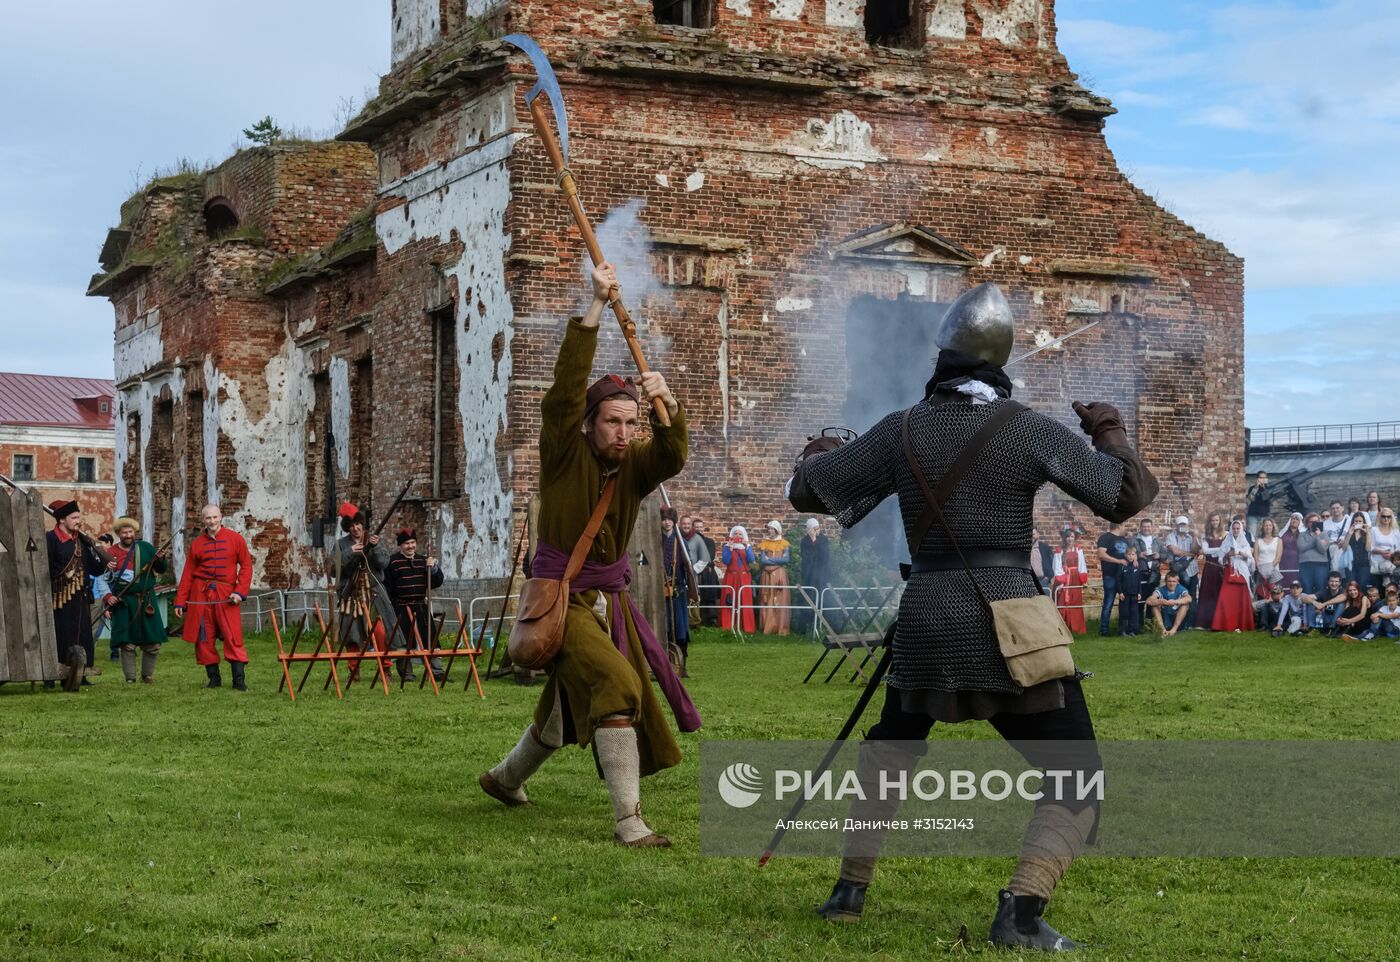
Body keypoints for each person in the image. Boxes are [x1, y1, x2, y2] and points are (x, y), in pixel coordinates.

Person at [787, 281, 1158, 947]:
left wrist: (820, 455)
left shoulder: (901, 428)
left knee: (892, 746)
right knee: (1078, 773)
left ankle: (848, 891)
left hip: (926, 616)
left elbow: (808, 491)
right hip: (1006, 620)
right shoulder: (1026, 428)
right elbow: (1124, 493)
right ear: (1002, 360)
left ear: (942, 355)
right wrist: (1108, 428)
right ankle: (1020, 914)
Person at [478, 262, 699, 848]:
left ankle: (505, 780)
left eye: (632, 423)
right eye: (612, 422)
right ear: (589, 424)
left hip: (611, 602)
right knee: (618, 685)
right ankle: (630, 822)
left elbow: (672, 455)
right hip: (563, 599)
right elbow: (564, 390)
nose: (624, 433)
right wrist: (597, 306)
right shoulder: (562, 453)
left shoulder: (635, 465)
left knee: (559, 711)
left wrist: (668, 405)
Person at [174, 504, 253, 690]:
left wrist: (239, 592)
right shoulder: (197, 544)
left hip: (226, 594)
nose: (212, 521)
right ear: (203, 520)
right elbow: (188, 574)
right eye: (208, 518)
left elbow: (246, 567)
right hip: (201, 595)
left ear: (221, 517)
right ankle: (214, 680)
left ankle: (239, 682)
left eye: (215, 517)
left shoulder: (236, 539)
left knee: (232, 635)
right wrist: (180, 602)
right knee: (204, 636)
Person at [93, 517, 168, 684]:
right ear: (118, 534)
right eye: (124, 532)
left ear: (135, 532)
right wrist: (108, 597)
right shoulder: (111, 553)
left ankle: (147, 676)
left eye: (130, 531)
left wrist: (161, 559)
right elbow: (101, 578)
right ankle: (130, 679)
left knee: (153, 641)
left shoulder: (146, 548)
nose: (128, 535)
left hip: (147, 601)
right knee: (126, 642)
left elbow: (161, 569)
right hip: (125, 602)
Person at [331, 501, 398, 680]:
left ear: (362, 523)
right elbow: (333, 570)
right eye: (351, 525)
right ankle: (354, 671)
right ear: (347, 528)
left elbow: (384, 563)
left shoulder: (372, 539)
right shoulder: (341, 545)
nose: (355, 528)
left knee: (381, 632)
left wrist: (374, 547)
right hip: (352, 595)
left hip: (373, 593)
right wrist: (349, 552)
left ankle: (385, 669)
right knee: (351, 634)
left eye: (357, 524)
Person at [46, 499, 109, 689]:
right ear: (61, 520)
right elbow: (45, 568)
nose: (78, 521)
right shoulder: (51, 539)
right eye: (74, 517)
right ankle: (52, 676)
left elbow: (95, 569)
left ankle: (81, 674)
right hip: (60, 597)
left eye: (78, 517)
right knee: (60, 635)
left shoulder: (81, 541)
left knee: (83, 636)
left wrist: (103, 556)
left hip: (81, 597)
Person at [382, 528, 445, 683]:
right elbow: (387, 587)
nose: (410, 546)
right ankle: (406, 674)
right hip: (401, 607)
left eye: (412, 542)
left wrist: (433, 569)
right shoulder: (392, 562)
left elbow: (437, 582)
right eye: (406, 543)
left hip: (420, 607)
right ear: (400, 545)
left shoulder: (423, 561)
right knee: (404, 642)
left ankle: (437, 671)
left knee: (430, 639)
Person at [1204, 518, 1254, 632]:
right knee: (1225, 597)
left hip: (1241, 573)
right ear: (1231, 529)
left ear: (1241, 529)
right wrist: (1228, 555)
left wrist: (1242, 554)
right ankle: (1221, 625)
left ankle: (1242, 624)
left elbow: (1251, 560)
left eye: (1238, 528)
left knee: (1241, 599)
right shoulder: (1226, 541)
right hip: (1229, 571)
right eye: (1234, 528)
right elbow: (1220, 559)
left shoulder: (1244, 542)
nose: (1236, 530)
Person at [660, 510, 692, 671]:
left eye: (669, 519)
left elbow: (688, 567)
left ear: (674, 521)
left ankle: (682, 665)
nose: (667, 522)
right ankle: (664, 663)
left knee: (680, 627)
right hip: (660, 591)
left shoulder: (681, 542)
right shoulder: (655, 541)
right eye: (664, 519)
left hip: (678, 590)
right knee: (663, 626)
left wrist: (692, 589)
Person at [1163, 516, 1201, 627]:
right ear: (1176, 525)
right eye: (1180, 524)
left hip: (1192, 570)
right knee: (1179, 597)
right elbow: (1175, 551)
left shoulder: (1191, 537)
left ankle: (1191, 623)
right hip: (1179, 572)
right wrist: (1189, 554)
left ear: (1187, 525)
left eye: (1184, 524)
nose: (1182, 526)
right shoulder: (1171, 536)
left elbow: (1196, 550)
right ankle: (1179, 624)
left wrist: (1195, 536)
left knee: (1192, 597)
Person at [756, 520, 791, 636]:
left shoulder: (784, 543)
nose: (769, 530)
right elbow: (763, 560)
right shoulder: (764, 543)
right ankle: (767, 626)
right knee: (766, 598)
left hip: (779, 574)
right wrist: (776, 561)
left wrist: (769, 559)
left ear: (776, 530)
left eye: (771, 528)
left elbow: (786, 560)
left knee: (779, 598)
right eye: (769, 528)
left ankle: (779, 627)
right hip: (766, 574)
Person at [1094, 521, 1130, 636]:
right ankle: (1104, 630)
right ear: (1119, 525)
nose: (1125, 528)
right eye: (1124, 525)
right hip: (1110, 575)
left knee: (1125, 603)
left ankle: (1122, 629)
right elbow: (1101, 554)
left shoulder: (1124, 540)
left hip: (1123, 576)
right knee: (1108, 603)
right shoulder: (1105, 537)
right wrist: (1118, 561)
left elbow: (1129, 555)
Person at [798, 517, 832, 634]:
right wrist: (812, 540)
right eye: (815, 529)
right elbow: (806, 558)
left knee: (822, 599)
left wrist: (815, 541)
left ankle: (821, 625)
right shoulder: (804, 541)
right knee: (808, 599)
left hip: (821, 575)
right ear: (809, 529)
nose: (817, 531)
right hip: (809, 575)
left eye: (818, 528)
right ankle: (806, 628)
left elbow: (824, 556)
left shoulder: (823, 540)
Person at [720, 525, 756, 632]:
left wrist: (747, 546)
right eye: (735, 534)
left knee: (745, 600)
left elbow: (751, 560)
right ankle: (728, 625)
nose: (737, 536)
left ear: (743, 536)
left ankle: (746, 626)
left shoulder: (747, 547)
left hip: (744, 577)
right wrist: (730, 548)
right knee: (730, 599)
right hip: (731, 576)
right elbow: (725, 561)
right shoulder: (727, 547)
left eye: (740, 534)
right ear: (732, 535)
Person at [1052, 529, 1088, 633]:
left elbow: (1082, 565)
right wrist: (1061, 581)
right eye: (1068, 536)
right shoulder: (1059, 550)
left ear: (1074, 538)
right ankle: (1062, 628)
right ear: (1064, 538)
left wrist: (1083, 580)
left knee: (1075, 601)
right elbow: (1057, 567)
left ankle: (1076, 628)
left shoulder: (1078, 549)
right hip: (1064, 579)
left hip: (1075, 579)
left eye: (1072, 537)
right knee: (1062, 601)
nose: (1070, 539)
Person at [1194, 513, 1226, 629]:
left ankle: (1219, 623)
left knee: (1220, 592)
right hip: (1210, 567)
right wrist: (1221, 549)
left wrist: (1217, 550)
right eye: (1212, 520)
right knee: (1207, 593)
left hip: (1222, 567)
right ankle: (1204, 622)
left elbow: (1227, 550)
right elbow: (1205, 551)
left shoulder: (1226, 535)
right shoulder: (1205, 535)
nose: (1215, 522)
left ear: (1220, 521)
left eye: (1217, 520)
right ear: (1209, 522)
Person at [688, 517, 721, 627]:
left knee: (710, 597)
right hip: (695, 572)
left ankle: (711, 621)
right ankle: (696, 622)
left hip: (707, 572)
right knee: (695, 597)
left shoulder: (709, 542)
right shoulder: (689, 541)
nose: (699, 529)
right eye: (696, 527)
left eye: (701, 527)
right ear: (693, 528)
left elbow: (709, 557)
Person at [1146, 570, 1192, 636]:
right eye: (1169, 581)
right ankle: (1162, 630)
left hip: (1177, 617)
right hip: (1164, 617)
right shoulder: (1161, 589)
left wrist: (1174, 601)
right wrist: (1161, 601)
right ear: (1165, 581)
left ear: (1177, 582)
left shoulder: (1181, 589)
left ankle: (1174, 630)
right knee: (1154, 605)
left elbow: (1189, 598)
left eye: (1174, 581)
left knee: (1185, 605)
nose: (1171, 584)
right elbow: (1149, 600)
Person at [1297, 515, 1331, 598]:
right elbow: (1301, 548)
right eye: (1311, 521)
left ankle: (1321, 605)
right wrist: (1316, 540)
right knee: (1306, 588)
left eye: (1316, 521)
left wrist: (1318, 536)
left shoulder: (1324, 534)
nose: (1313, 523)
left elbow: (1322, 550)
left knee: (1320, 587)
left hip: (1321, 565)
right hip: (1305, 565)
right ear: (1307, 523)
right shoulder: (1302, 535)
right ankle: (1308, 606)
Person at [1368, 507, 1399, 587]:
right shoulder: (1374, 530)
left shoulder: (1395, 531)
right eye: (1383, 516)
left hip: (1391, 565)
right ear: (1380, 517)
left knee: (1390, 589)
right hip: (1376, 564)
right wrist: (1381, 551)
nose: (1386, 518)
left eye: (1388, 516)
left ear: (1391, 518)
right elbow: (1370, 547)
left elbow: (1398, 548)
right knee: (1377, 589)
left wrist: (1392, 554)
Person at [1133, 518, 1162, 599]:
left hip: (1154, 573)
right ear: (1140, 527)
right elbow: (1127, 555)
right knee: (1140, 599)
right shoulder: (1134, 540)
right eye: (1144, 526)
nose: (1146, 528)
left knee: (1153, 600)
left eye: (1148, 526)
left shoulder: (1157, 540)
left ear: (1152, 527)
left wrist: (1159, 555)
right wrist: (1139, 555)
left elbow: (1165, 555)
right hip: (1140, 572)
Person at [1344, 512, 1372, 591]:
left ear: (1363, 522)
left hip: (1364, 564)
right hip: (1351, 564)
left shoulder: (1366, 533)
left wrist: (1367, 533)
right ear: (1353, 522)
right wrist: (1349, 534)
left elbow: (1368, 548)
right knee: (1351, 586)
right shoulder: (1349, 532)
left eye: (1360, 521)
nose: (1358, 523)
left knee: (1362, 586)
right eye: (1356, 521)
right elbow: (1344, 548)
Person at [1117, 545, 1142, 635]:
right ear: (1125, 555)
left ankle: (1132, 630)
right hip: (1125, 595)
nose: (1131, 556)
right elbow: (1118, 580)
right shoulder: (1122, 566)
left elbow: (1139, 581)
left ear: (1135, 556)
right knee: (1124, 613)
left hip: (1134, 594)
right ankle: (1122, 631)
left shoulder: (1136, 566)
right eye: (1129, 554)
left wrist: (1139, 592)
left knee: (1133, 613)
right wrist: (1120, 592)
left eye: (1133, 554)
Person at [1253, 517, 1281, 595]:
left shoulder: (1278, 540)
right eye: (1266, 525)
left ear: (1273, 527)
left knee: (1275, 596)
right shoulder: (1258, 541)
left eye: (1270, 525)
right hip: (1261, 573)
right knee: (1262, 596)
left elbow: (1278, 558)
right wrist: (1262, 571)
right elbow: (1256, 557)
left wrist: (1268, 570)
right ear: (1262, 527)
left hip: (1274, 573)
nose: (1268, 527)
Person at [1245, 471, 1274, 540]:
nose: (1263, 479)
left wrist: (1263, 487)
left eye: (1264, 478)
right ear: (1257, 479)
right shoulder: (1252, 488)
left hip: (1264, 515)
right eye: (1261, 478)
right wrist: (1256, 487)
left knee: (1264, 534)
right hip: (1253, 515)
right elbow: (1249, 500)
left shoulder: (1269, 488)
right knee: (1252, 535)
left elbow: (1269, 499)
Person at [1279, 512, 1303, 588]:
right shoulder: (1283, 533)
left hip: (1296, 561)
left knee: (1295, 582)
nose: (1294, 520)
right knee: (1284, 582)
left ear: (1300, 522)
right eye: (1293, 518)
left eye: (1297, 519)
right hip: (1283, 561)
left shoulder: (1302, 533)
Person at [1029, 527, 1055, 596]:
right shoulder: (1024, 549)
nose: (1032, 536)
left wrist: (1048, 577)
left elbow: (1051, 562)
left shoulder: (1045, 547)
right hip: (1028, 583)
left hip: (1042, 581)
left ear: (1038, 534)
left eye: (1033, 534)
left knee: (1044, 602)